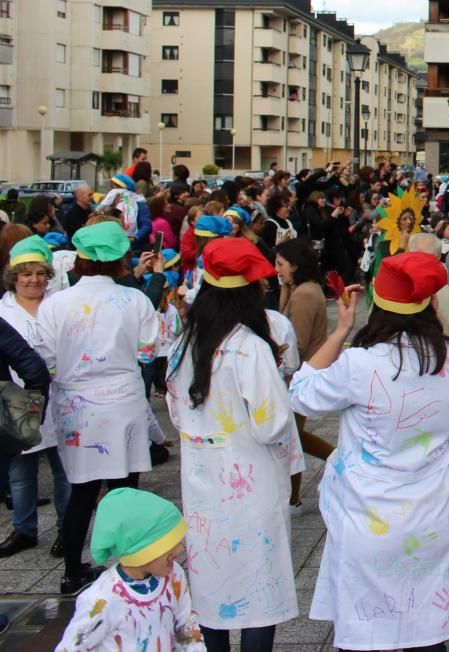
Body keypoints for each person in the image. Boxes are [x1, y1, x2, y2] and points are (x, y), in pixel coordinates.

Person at [288, 251, 449, 651]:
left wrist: (340, 330)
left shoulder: (359, 364)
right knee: (427, 635)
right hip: (432, 520)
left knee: (366, 635)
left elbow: (300, 395)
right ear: (430, 303)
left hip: (368, 521)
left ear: (377, 306)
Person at [166, 237, 302, 650]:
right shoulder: (249, 347)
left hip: (202, 478)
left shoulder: (183, 343)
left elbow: (175, 414)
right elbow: (273, 424)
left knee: (211, 580)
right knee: (259, 583)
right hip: (250, 479)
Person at [36, 221, 160, 595]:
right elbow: (148, 350)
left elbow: (46, 358)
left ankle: (72, 570)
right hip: (123, 401)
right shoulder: (134, 300)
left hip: (76, 407)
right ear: (120, 259)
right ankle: (130, 567)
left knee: (82, 491)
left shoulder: (55, 304)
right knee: (126, 489)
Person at [55, 488, 204, 651]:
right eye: (168, 544)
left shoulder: (174, 576)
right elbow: (70, 648)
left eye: (178, 539)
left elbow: (186, 626)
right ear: (139, 551)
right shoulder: (102, 599)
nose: (179, 549)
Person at [0, 237, 68, 559]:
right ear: (14, 277)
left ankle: (68, 529)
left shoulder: (62, 304)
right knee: (21, 470)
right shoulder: (3, 309)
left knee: (63, 467)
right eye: (25, 274)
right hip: (18, 400)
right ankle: (24, 529)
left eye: (40, 273)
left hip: (63, 396)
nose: (33, 280)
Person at [275, 237, 335, 512]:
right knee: (294, 437)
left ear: (295, 266)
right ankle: (293, 497)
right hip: (304, 372)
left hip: (301, 373)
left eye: (281, 264)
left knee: (293, 438)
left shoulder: (305, 295)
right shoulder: (301, 290)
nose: (277, 269)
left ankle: (294, 497)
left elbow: (295, 342)